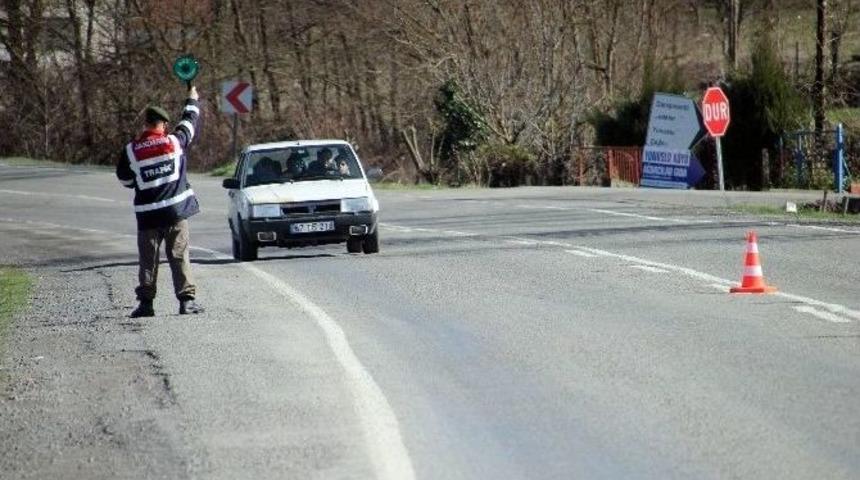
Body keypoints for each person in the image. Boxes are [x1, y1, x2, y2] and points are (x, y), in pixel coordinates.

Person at [116, 86, 204, 318]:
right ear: (163, 125)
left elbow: (125, 179)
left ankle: (146, 304)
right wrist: (191, 99)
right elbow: (189, 124)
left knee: (148, 259)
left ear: (145, 124)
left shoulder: (131, 151)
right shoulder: (173, 143)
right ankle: (186, 301)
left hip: (147, 216)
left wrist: (143, 183)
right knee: (178, 255)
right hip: (175, 213)